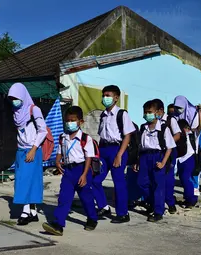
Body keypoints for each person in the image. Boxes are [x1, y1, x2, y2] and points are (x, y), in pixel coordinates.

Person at [42, 106, 98, 236]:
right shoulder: (63, 137)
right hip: (69, 171)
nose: (70, 123)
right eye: (67, 120)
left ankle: (92, 218)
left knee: (86, 197)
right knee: (64, 197)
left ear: (80, 122)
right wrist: (57, 161)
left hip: (82, 169)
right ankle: (58, 224)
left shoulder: (85, 138)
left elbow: (89, 157)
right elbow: (59, 152)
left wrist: (84, 175)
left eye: (73, 120)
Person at [92, 85, 135, 223]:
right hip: (103, 150)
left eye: (108, 95)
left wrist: (119, 155)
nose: (105, 98)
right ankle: (104, 206)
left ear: (116, 98)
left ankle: (123, 214)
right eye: (103, 95)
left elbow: (127, 136)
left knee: (119, 183)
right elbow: (102, 135)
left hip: (117, 149)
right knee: (95, 179)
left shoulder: (122, 114)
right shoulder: (103, 115)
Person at [8, 83, 47, 226]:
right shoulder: (16, 111)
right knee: (27, 180)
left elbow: (43, 130)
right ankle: (33, 211)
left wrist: (33, 149)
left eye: (16, 97)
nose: (14, 100)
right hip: (21, 150)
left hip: (32, 150)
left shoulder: (33, 110)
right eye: (11, 98)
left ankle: (25, 212)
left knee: (24, 181)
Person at [135, 100, 175, 222]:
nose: (147, 115)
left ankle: (158, 211)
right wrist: (137, 161)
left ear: (158, 112)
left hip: (158, 156)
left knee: (158, 185)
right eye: (145, 112)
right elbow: (139, 146)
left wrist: (163, 162)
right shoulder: (143, 128)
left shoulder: (163, 128)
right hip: (144, 157)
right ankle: (152, 202)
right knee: (142, 182)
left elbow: (170, 147)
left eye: (150, 112)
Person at [152, 99, 181, 214]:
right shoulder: (153, 121)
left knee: (168, 179)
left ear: (161, 110)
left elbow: (178, 135)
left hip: (169, 152)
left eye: (155, 111)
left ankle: (170, 203)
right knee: (155, 177)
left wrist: (166, 144)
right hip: (156, 152)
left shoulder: (170, 120)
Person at [174, 96, 201, 207]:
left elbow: (199, 126)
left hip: (189, 157)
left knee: (186, 177)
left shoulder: (191, 134)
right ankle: (188, 197)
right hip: (180, 158)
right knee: (183, 178)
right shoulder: (179, 134)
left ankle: (192, 199)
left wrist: (199, 112)